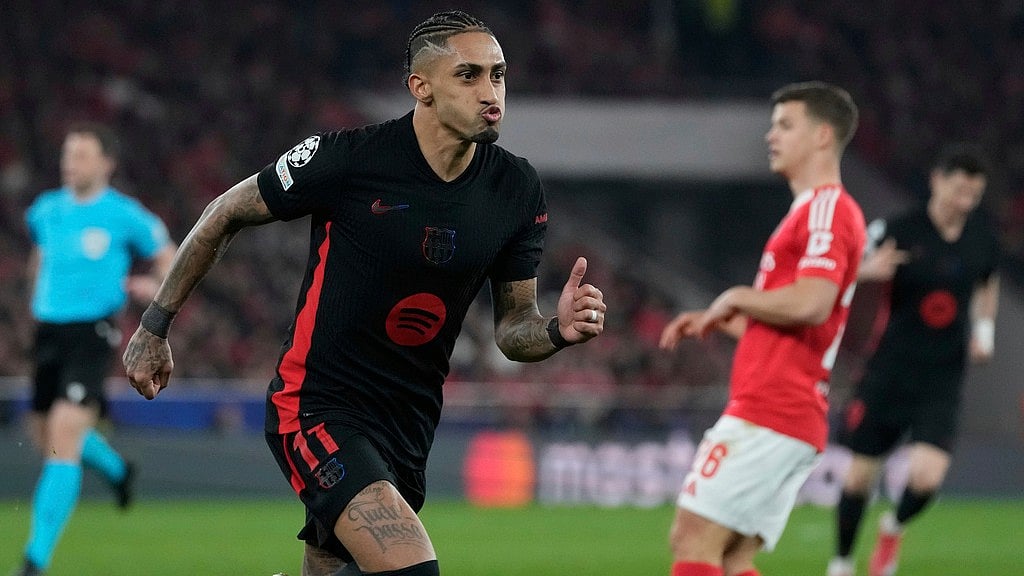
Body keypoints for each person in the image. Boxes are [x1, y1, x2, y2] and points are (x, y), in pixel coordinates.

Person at [122, 10, 606, 576]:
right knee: (413, 570)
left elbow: (513, 329)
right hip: (317, 405)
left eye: (497, 75)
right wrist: (154, 325)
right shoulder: (349, 158)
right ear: (421, 87)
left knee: (334, 568)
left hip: (408, 423)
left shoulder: (515, 189)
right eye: (468, 75)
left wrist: (556, 330)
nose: (490, 91)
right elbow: (224, 212)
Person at [659, 81, 865, 576]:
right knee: (734, 557)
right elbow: (794, 321)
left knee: (692, 538)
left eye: (785, 125)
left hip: (773, 408)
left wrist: (735, 297)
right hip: (788, 412)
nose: (771, 136)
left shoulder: (826, 208)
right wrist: (726, 321)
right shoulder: (808, 211)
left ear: (822, 135)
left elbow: (814, 303)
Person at [826, 144, 1000, 576]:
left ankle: (893, 527)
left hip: (942, 377)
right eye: (959, 191)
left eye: (974, 195)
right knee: (858, 478)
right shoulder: (898, 229)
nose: (966, 202)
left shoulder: (982, 240)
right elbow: (841, 267)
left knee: (926, 479)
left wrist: (984, 331)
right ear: (937, 181)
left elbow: (988, 282)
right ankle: (842, 562)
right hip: (889, 370)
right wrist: (867, 271)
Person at [16, 122, 177, 576]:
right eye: (68, 154)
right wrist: (35, 298)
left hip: (92, 333)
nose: (70, 163)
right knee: (47, 436)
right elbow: (40, 257)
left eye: (82, 155)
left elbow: (169, 254)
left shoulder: (124, 214)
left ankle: (34, 560)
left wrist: (155, 288)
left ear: (107, 163)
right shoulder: (45, 210)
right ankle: (118, 470)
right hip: (48, 332)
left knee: (63, 438)